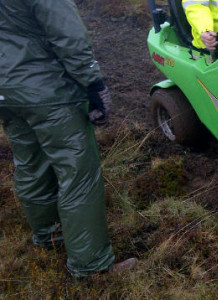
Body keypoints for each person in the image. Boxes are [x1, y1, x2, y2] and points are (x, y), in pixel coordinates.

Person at [0, 0, 136, 277]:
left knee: (30, 164)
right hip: (45, 89)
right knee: (78, 173)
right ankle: (91, 266)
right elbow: (66, 31)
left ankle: (50, 239)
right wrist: (92, 82)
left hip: (6, 91)